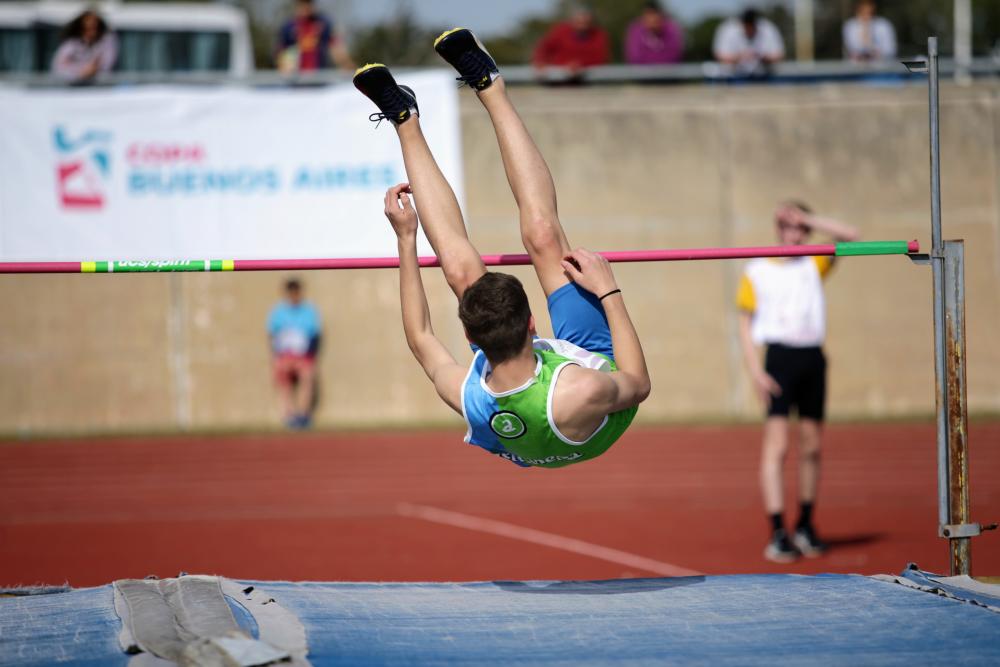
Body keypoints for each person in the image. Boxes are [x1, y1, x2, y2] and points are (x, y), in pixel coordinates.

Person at [352, 29, 650, 468]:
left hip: (540, 392)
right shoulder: (584, 387)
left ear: (473, 339)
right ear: (532, 324)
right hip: (583, 386)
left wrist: (406, 239)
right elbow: (638, 384)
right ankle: (491, 85)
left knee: (457, 269)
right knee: (544, 237)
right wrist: (609, 293)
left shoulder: (472, 394)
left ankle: (404, 117)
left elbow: (421, 338)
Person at [735, 202, 860, 562]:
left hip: (812, 358)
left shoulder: (814, 261)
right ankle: (778, 530)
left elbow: (850, 235)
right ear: (778, 229)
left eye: (801, 228)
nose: (796, 234)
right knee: (776, 445)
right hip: (778, 359)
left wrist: (808, 218)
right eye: (789, 227)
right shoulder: (757, 270)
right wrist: (756, 372)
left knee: (811, 445)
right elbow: (744, 324)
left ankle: (805, 523)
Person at [267, 279, 322, 429]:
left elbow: (314, 336)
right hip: (284, 356)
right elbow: (272, 336)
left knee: (307, 375)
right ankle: (288, 416)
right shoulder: (278, 311)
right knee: (281, 375)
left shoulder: (309, 310)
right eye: (291, 293)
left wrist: (307, 357)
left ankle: (303, 415)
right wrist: (278, 357)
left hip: (304, 357)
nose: (294, 296)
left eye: (296, 293)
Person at [533, 5, 611, 81]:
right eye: (579, 19)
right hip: (558, 80)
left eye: (585, 19)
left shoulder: (599, 35)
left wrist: (581, 65)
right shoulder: (560, 31)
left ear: (591, 20)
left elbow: (601, 57)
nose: (582, 22)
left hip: (585, 80)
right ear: (573, 19)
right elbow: (544, 47)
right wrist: (540, 61)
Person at [276, 0, 355, 73]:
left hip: (319, 79)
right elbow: (280, 52)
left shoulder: (323, 23)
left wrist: (347, 65)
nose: (306, 7)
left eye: (308, 3)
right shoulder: (288, 27)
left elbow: (336, 48)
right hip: (296, 80)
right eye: (302, 3)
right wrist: (283, 66)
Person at [712, 8, 784, 77]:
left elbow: (779, 54)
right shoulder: (728, 29)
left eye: (752, 25)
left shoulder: (768, 29)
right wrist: (739, 57)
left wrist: (762, 57)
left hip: (765, 76)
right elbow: (719, 55)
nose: (749, 29)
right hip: (733, 76)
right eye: (747, 25)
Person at [51, 10, 118, 84]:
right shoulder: (71, 43)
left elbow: (107, 66)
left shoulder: (106, 41)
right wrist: (81, 72)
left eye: (95, 28)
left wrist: (93, 70)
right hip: (72, 88)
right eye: (86, 29)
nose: (91, 32)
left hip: (101, 88)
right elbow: (58, 68)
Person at [624, 2, 684, 66]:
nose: (652, 20)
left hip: (668, 74)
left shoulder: (671, 29)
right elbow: (634, 58)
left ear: (661, 16)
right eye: (649, 15)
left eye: (655, 15)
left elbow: (674, 55)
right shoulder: (635, 30)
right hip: (642, 74)